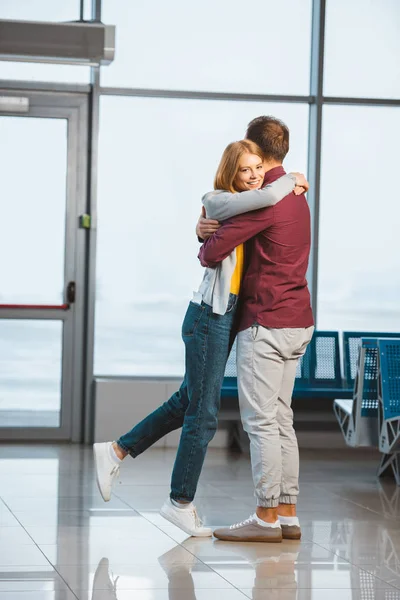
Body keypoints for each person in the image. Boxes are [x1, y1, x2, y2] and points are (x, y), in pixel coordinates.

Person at [93, 138, 308, 537]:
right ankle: (180, 501)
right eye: (245, 169)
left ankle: (115, 450)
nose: (254, 175)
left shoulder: (253, 202)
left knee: (187, 401)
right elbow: (212, 242)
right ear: (231, 173)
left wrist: (285, 182)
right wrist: (289, 179)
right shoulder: (222, 199)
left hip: (223, 317)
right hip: (208, 317)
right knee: (204, 413)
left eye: (258, 166)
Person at [198, 116, 314, 543]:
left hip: (266, 322)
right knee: (282, 419)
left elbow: (213, 252)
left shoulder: (266, 201)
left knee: (261, 422)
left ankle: (265, 517)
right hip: (299, 319)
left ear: (256, 149)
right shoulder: (298, 194)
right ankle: (287, 514)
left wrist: (201, 233)